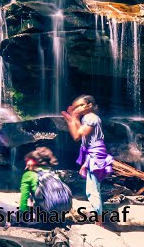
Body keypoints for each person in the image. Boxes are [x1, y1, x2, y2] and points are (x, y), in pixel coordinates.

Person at [62, 95, 113, 223]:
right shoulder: (87, 118)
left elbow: (77, 136)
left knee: (92, 190)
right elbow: (80, 134)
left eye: (78, 106)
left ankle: (99, 222)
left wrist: (72, 118)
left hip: (96, 155)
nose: (75, 108)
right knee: (92, 188)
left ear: (88, 105)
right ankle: (98, 219)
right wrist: (73, 119)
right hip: (94, 154)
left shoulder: (91, 118)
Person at [17, 147, 72, 227]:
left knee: (37, 201)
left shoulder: (28, 175)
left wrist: (22, 216)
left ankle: (44, 221)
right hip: (65, 207)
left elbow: (24, 198)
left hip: (47, 209)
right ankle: (58, 220)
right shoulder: (52, 173)